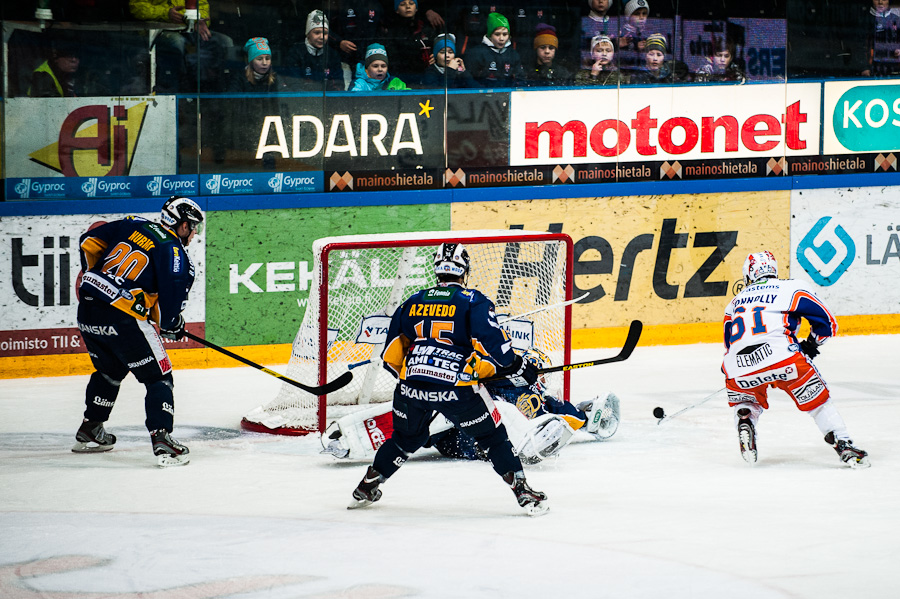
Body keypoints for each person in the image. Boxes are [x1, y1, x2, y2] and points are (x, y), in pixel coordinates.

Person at [348, 242, 549, 515]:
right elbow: (496, 349)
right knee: (493, 438)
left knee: (405, 439)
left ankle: (367, 486)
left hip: (411, 388)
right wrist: (518, 366)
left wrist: (418, 379)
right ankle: (523, 492)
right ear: (464, 270)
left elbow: (391, 355)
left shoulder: (413, 301)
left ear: (437, 270)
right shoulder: (472, 301)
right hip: (457, 390)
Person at [72, 196, 203, 468]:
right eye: (192, 226)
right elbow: (169, 306)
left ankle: (90, 428)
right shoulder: (175, 252)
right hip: (123, 318)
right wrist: (172, 324)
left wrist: (96, 276)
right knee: (159, 377)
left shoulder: (133, 223)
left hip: (88, 310)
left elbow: (89, 241)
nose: (193, 233)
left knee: (110, 371)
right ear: (182, 225)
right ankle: (163, 440)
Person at [722, 251, 870, 469]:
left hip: (737, 368)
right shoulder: (791, 287)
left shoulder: (733, 303)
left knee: (745, 400)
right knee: (818, 403)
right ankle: (844, 445)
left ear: (748, 276)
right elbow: (826, 323)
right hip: (783, 357)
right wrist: (811, 344)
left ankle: (745, 417)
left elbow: (729, 345)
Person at [129, 0, 232, 93]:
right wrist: (166, 13)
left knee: (226, 41)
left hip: (188, 27)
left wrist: (195, 19)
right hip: (158, 30)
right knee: (178, 42)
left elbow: (203, 7)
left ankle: (223, 90)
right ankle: (181, 90)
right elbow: (136, 7)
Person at [285, 10, 345, 91]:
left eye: (325, 33)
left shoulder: (332, 55)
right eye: (317, 33)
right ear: (308, 34)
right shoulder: (296, 53)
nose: (321, 37)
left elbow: (338, 85)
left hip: (327, 102)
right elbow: (293, 84)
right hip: (302, 101)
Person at [381, 0, 435, 87]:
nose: (408, 7)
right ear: (397, 10)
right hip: (401, 76)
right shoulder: (392, 31)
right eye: (402, 4)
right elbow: (393, 58)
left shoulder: (425, 29)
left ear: (416, 8)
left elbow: (435, 48)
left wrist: (434, 56)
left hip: (424, 76)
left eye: (411, 3)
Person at [463, 11, 525, 88]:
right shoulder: (476, 53)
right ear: (489, 35)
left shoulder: (513, 55)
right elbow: (469, 81)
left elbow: (520, 80)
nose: (501, 38)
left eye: (505, 34)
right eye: (497, 34)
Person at [866, 0, 900, 78]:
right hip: (873, 67)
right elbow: (860, 45)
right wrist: (864, 67)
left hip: (894, 66)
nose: (880, 2)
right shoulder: (865, 19)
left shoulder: (896, 19)